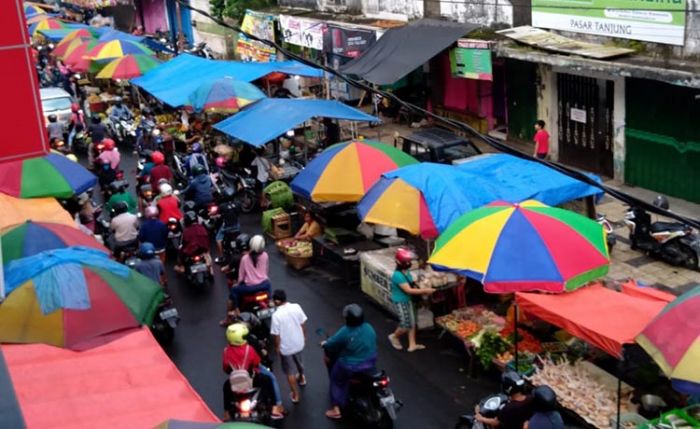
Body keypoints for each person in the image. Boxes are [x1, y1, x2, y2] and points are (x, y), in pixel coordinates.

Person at [322, 304, 377, 420]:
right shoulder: (369, 327)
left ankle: (336, 409)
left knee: (336, 379)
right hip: (370, 361)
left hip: (352, 366)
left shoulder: (345, 331)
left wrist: (325, 345)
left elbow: (331, 344)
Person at [222, 323, 285, 420]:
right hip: (252, 380)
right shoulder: (249, 349)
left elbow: (225, 368)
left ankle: (226, 413)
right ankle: (275, 408)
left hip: (234, 382)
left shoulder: (226, 351)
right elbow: (257, 362)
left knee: (226, 387)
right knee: (269, 379)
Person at [387, 248, 435, 352]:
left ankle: (412, 344)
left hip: (409, 300)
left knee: (412, 323)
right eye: (406, 262)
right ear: (398, 262)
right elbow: (408, 290)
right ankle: (394, 336)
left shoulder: (406, 271)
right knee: (405, 324)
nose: (408, 263)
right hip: (401, 301)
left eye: (409, 261)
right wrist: (425, 290)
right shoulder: (397, 275)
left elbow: (411, 281)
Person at [270, 289, 308, 404]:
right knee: (299, 363)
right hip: (299, 343)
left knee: (289, 372)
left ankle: (295, 395)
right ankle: (301, 377)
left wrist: (277, 347)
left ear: (277, 301)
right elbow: (303, 323)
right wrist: (304, 337)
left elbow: (276, 335)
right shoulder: (296, 307)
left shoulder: (276, 316)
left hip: (286, 348)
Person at [229, 235, 271, 312]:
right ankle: (270, 302)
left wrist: (237, 284)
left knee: (234, 290)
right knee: (269, 283)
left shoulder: (244, 258)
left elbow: (241, 277)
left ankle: (236, 310)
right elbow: (266, 271)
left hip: (250, 288)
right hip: (265, 285)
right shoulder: (265, 255)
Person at [215, 187, 240, 256]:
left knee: (218, 239)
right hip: (236, 226)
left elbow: (217, 213)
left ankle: (221, 256)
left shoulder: (222, 206)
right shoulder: (238, 203)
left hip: (226, 227)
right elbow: (238, 213)